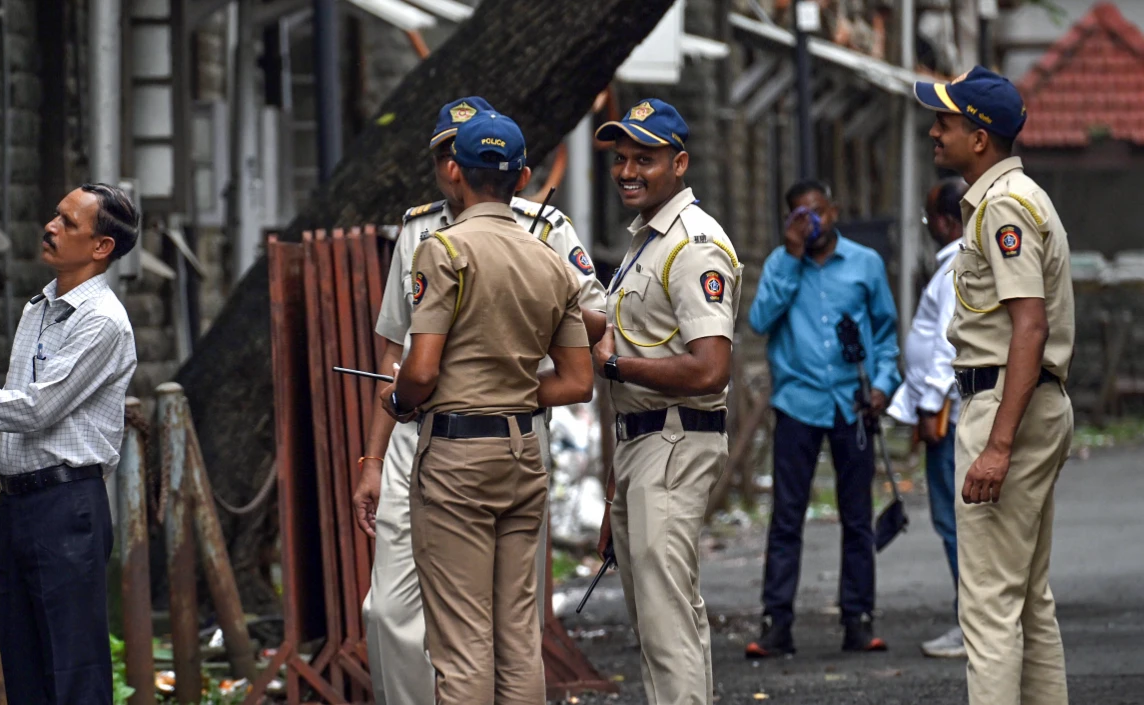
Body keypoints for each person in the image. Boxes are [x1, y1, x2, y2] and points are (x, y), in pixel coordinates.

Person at [352, 96, 605, 705]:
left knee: (463, 644)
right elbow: (579, 381)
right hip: (515, 446)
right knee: (514, 638)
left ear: (457, 170)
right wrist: (508, 385)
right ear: (521, 173)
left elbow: (414, 370)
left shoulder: (448, 247)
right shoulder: (544, 256)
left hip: (455, 447)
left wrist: (422, 396)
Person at [915, 66, 1074, 705]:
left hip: (1007, 401)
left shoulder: (1003, 205)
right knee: (1028, 599)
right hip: (1028, 399)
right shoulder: (1013, 197)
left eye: (945, 122)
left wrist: (999, 444)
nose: (934, 132)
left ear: (979, 138)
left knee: (987, 607)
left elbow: (1029, 326)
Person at [0, 183, 138, 704]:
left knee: (73, 670)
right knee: (23, 664)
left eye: (68, 222)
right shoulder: (39, 308)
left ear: (101, 246)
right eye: (56, 215)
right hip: (16, 504)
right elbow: (12, 400)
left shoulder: (103, 321)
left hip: (67, 505)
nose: (50, 227)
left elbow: (35, 409)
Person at [590, 99, 740, 705]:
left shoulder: (693, 244)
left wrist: (614, 366)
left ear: (679, 164)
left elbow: (710, 368)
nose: (627, 171)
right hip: (643, 442)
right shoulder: (647, 240)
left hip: (674, 441)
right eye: (621, 158)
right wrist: (616, 484)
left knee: (666, 620)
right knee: (661, 621)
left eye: (644, 159)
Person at [746, 179, 900, 657]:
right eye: (800, 215)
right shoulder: (780, 263)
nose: (810, 222)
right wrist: (792, 257)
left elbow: (886, 333)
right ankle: (776, 624)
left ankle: (858, 620)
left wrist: (883, 385)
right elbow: (759, 321)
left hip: (853, 403)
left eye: (817, 212)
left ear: (833, 212)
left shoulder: (865, 263)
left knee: (856, 516)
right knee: (787, 516)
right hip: (798, 402)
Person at [887, 177, 968, 659]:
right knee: (954, 520)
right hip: (946, 412)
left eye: (929, 218)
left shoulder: (956, 268)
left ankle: (972, 622)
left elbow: (946, 345)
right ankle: (974, 618)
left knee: (955, 522)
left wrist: (929, 405)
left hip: (949, 416)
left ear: (944, 221)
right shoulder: (952, 266)